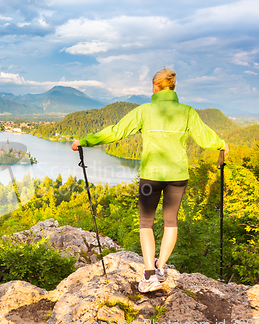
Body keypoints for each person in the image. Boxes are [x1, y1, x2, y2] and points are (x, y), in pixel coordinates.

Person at [71, 68, 229, 293]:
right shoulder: (187, 112)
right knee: (170, 222)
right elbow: (205, 137)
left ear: (155, 88)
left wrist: (85, 141)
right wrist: (222, 144)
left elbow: (116, 131)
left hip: (151, 177)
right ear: (173, 87)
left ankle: (148, 275)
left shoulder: (145, 111)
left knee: (146, 223)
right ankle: (160, 267)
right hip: (177, 176)